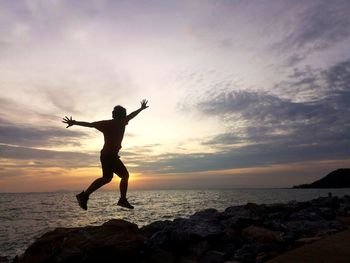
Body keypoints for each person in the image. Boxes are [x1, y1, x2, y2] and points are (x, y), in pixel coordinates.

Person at [62, 99, 149, 210]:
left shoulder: (114, 122)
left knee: (107, 178)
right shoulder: (119, 122)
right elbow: (90, 125)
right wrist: (141, 109)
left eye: (113, 111)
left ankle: (84, 195)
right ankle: (121, 200)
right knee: (124, 176)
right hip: (110, 156)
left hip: (107, 155)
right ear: (122, 115)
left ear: (115, 115)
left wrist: (75, 123)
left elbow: (90, 125)